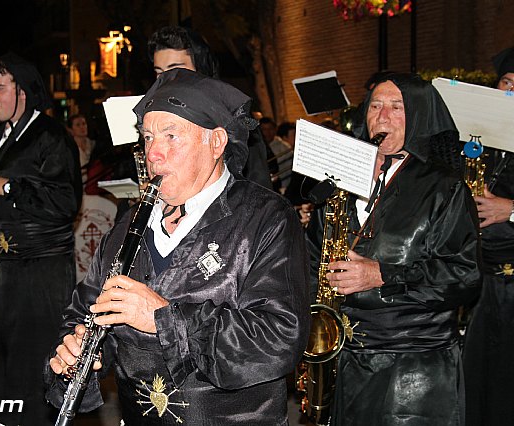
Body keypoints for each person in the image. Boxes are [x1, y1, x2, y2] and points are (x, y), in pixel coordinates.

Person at [46, 68, 310, 424]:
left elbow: (280, 337)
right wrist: (76, 350)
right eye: (148, 137)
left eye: (172, 137)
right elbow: (85, 309)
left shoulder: (267, 218)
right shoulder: (127, 226)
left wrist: (164, 319)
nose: (153, 153)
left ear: (216, 143)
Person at [305, 73, 481, 425]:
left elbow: (464, 276)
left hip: (414, 365)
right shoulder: (338, 179)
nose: (382, 117)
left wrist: (382, 275)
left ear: (419, 115)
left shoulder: (444, 187)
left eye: (396, 107)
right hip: (346, 356)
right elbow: (312, 257)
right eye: (375, 106)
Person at [0, 53, 82, 425]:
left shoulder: (52, 136)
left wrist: (8, 186)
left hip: (41, 273)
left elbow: (66, 201)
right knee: (3, 361)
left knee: (37, 364)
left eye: (0, 88)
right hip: (2, 270)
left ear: (24, 92)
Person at [148, 25, 274, 190]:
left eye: (176, 71)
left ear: (200, 69)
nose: (167, 81)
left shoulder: (233, 115)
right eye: (160, 73)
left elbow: (257, 185)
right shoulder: (154, 118)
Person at [462, 46, 514, 426]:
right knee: (477, 381)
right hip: (481, 281)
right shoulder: (479, 137)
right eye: (507, 83)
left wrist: (510, 209)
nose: (511, 94)